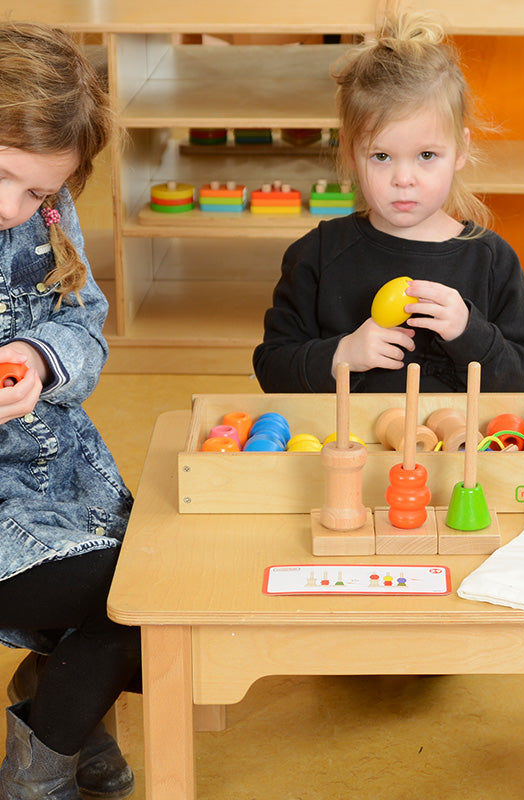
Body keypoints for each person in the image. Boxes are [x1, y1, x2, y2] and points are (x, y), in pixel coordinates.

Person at [253, 10, 524, 394]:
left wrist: (468, 332)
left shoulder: (491, 261)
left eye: (426, 155)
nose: (403, 179)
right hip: (349, 449)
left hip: (452, 453)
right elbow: (272, 367)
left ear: (460, 149)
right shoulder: (317, 255)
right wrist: (341, 355)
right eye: (381, 156)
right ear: (349, 150)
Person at [0, 21, 140, 800]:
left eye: (41, 192)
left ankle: (58, 712)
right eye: (7, 177)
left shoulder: (44, 218)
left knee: (163, 587)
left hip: (62, 484)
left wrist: (42, 360)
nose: (17, 209)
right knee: (139, 600)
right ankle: (42, 763)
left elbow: (83, 320)